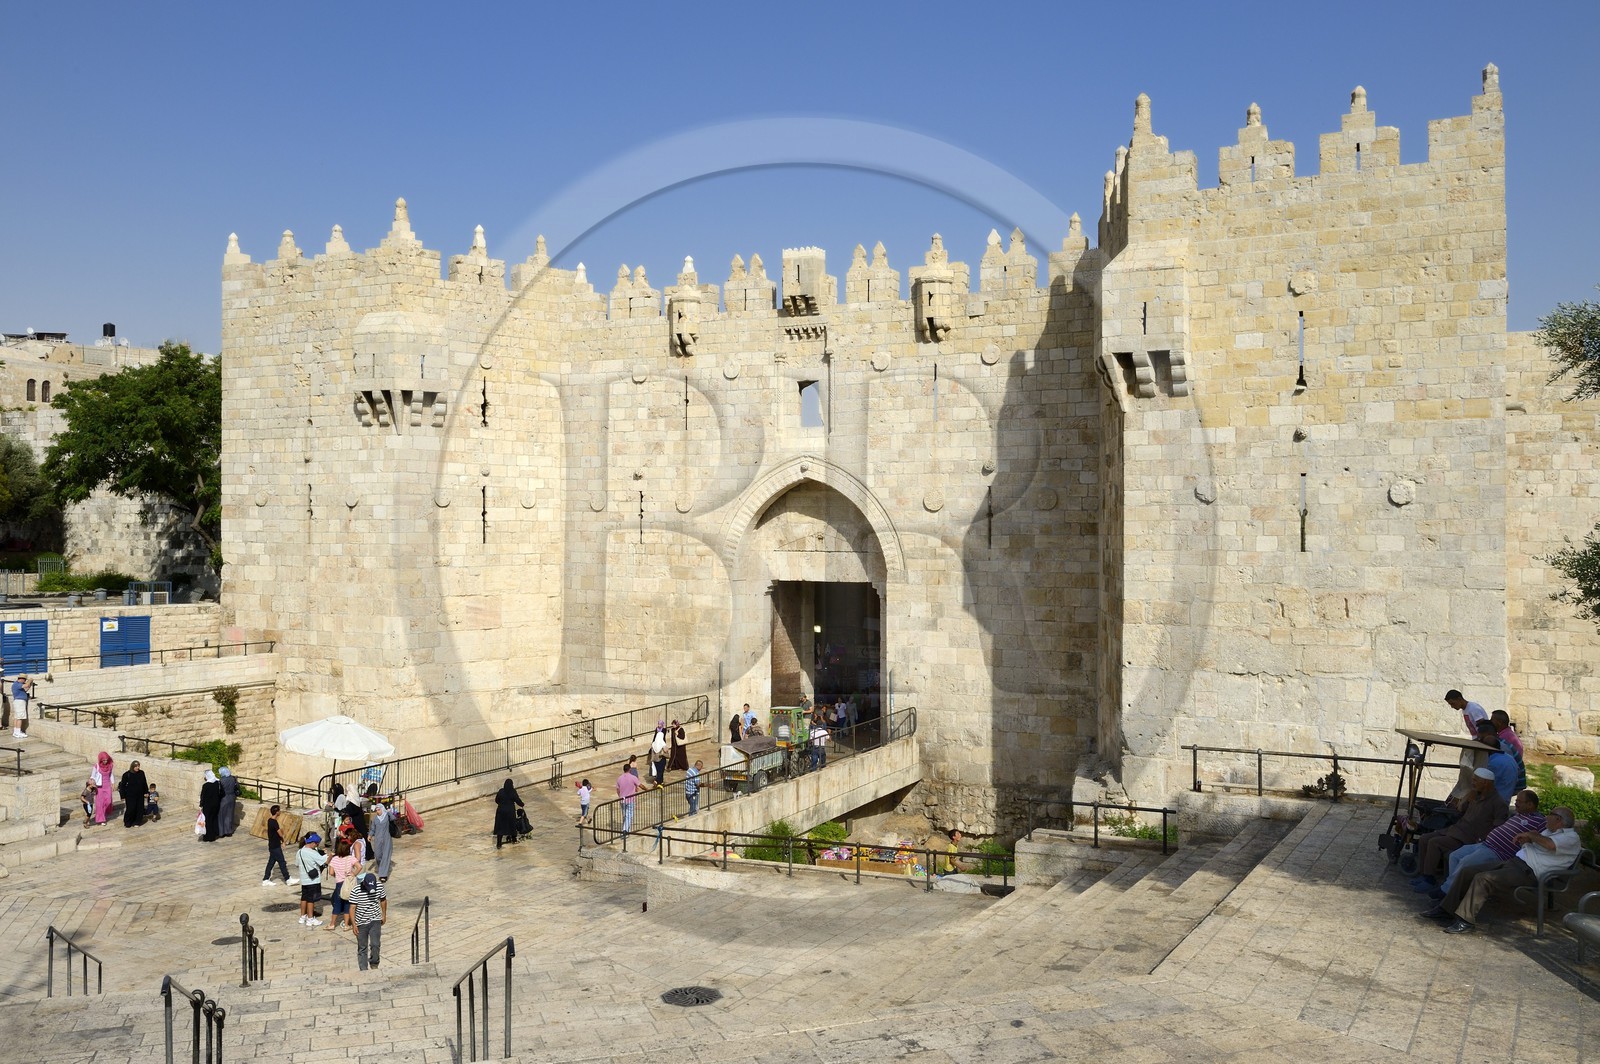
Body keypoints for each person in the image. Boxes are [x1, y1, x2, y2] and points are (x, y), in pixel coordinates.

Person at [1422, 807, 1582, 933]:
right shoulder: (1549, 832)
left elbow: (1550, 845)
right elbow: (1541, 846)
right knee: (1468, 871)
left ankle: (1466, 920)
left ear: (1559, 819)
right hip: (1515, 862)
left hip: (1530, 873)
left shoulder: (1571, 838)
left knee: (1484, 879)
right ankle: (1446, 909)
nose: (1547, 817)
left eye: (1550, 814)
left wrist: (1532, 835)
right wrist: (1527, 841)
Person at [1433, 789, 1546, 899]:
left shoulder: (1540, 821)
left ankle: (1446, 891)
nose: (1516, 803)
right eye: (1516, 801)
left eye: (1519, 802)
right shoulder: (1517, 815)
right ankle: (1455, 890)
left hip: (1498, 852)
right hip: (1485, 844)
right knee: (1454, 856)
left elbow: (1544, 839)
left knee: (1465, 862)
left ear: (1530, 804)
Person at [1407, 768, 1504, 891]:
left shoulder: (1498, 802)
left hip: (1469, 837)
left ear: (1485, 783)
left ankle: (1429, 880)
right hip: (1457, 829)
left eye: (1475, 780)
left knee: (1434, 843)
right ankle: (1424, 874)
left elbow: (1498, 827)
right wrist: (1465, 799)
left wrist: (1483, 840)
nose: (1472, 783)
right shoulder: (1475, 795)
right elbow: (1460, 811)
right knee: (1424, 839)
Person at [1473, 720, 1519, 802]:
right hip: (1505, 796)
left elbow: (1485, 784)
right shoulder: (1506, 756)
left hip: (1496, 800)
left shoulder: (1493, 763)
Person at [351, 871, 387, 972]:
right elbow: (352, 908)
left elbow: (383, 900)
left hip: (375, 919)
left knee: (375, 944)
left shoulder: (379, 887)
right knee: (362, 947)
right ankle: (363, 969)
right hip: (361, 922)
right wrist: (354, 924)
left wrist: (384, 915)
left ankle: (374, 963)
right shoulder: (356, 890)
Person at [326, 838, 360, 933]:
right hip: (348, 884)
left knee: (337, 904)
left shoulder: (334, 859)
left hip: (339, 884)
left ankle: (332, 924)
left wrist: (337, 875)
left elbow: (331, 872)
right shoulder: (351, 858)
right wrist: (353, 874)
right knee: (347, 904)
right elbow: (359, 866)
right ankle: (346, 925)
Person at [1489, 709, 1527, 789]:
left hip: (1513, 775)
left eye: (1492, 719)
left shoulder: (1504, 738)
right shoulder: (1506, 734)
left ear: (1499, 722)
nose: (1490, 721)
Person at [296, 833, 328, 927]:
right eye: (317, 843)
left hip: (304, 880)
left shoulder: (300, 851)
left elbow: (297, 864)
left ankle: (302, 917)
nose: (317, 845)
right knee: (311, 900)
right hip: (313, 880)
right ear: (313, 843)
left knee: (304, 898)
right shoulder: (312, 853)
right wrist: (328, 855)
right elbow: (323, 861)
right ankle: (310, 919)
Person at [262, 804, 293, 886]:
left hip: (272, 845)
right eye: (279, 810)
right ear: (277, 812)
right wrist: (283, 841)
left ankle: (265, 879)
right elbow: (280, 833)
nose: (280, 812)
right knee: (282, 862)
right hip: (275, 846)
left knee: (271, 863)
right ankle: (287, 879)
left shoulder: (269, 820)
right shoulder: (274, 822)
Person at [492, 777, 523, 850]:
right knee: (512, 825)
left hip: (501, 811)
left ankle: (499, 843)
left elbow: (496, 800)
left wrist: (501, 804)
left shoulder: (501, 791)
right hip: (510, 811)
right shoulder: (513, 792)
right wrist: (522, 804)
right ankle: (514, 839)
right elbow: (517, 800)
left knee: (500, 827)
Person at [118, 759, 149, 829]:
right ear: (132, 767)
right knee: (130, 809)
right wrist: (122, 796)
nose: (137, 767)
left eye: (138, 766)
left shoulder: (141, 773)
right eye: (136, 766)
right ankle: (128, 822)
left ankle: (137, 822)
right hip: (130, 795)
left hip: (140, 794)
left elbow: (144, 783)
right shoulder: (126, 775)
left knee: (139, 808)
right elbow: (122, 786)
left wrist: (146, 792)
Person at [368, 802, 394, 880]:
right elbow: (373, 829)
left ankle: (383, 875)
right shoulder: (375, 819)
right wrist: (370, 835)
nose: (377, 811)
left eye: (379, 810)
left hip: (386, 838)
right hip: (378, 839)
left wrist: (389, 812)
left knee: (385, 856)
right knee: (378, 855)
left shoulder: (387, 816)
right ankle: (382, 868)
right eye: (376, 810)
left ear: (382, 809)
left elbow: (393, 819)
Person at [89, 751, 114, 826]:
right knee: (100, 803)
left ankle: (104, 812)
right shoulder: (97, 766)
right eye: (104, 760)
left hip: (107, 786)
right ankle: (101, 819)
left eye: (106, 760)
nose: (105, 761)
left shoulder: (110, 766)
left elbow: (111, 774)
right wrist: (92, 782)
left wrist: (112, 783)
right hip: (99, 787)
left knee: (108, 801)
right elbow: (93, 776)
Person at [198, 769, 222, 842]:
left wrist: (201, 804)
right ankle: (214, 835)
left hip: (208, 805)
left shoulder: (206, 785)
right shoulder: (217, 783)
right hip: (216, 804)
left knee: (208, 820)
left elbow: (203, 796)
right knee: (214, 819)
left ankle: (208, 836)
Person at [617, 762, 640, 834]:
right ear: (630, 769)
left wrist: (620, 796)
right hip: (630, 800)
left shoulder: (619, 778)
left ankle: (627, 830)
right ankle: (625, 831)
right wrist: (647, 789)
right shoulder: (633, 777)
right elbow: (640, 785)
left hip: (622, 800)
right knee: (629, 815)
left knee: (625, 816)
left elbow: (618, 790)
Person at [217, 767, 239, 838]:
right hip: (232, 798)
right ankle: (229, 831)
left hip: (224, 798)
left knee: (221, 815)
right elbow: (237, 787)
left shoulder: (221, 780)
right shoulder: (233, 779)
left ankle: (222, 832)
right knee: (229, 814)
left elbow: (219, 790)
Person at [9, 674, 32, 740]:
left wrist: (30, 684)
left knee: (17, 717)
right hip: (19, 702)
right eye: (25, 680)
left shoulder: (18, 685)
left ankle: (16, 731)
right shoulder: (16, 684)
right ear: (22, 679)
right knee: (20, 717)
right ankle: (18, 732)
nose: (25, 681)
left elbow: (26, 689)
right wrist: (30, 680)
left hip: (19, 702)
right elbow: (26, 685)